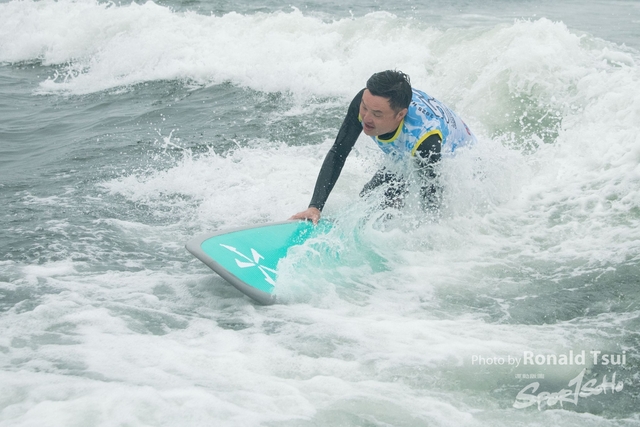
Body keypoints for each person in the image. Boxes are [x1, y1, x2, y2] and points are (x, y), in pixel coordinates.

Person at [291, 70, 476, 224]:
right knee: (368, 199)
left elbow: (433, 200)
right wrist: (315, 207)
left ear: (400, 115)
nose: (366, 118)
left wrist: (428, 238)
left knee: (389, 204)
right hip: (407, 151)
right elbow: (339, 151)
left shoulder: (425, 140)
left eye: (377, 114)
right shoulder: (367, 101)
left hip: (462, 160)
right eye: (365, 108)